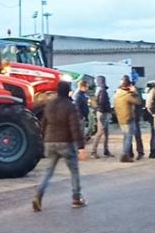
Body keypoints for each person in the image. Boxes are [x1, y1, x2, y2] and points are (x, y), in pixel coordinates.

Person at [33, 80, 87, 211]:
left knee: (49, 171)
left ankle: (38, 195)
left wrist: (44, 138)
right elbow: (74, 127)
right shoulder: (69, 106)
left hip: (50, 142)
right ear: (68, 91)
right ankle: (76, 198)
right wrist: (80, 146)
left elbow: (43, 124)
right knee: (74, 171)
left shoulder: (49, 104)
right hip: (65, 143)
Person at [114, 75, 142, 163]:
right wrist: (135, 92)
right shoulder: (127, 95)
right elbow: (138, 102)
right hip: (128, 118)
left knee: (125, 137)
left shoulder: (117, 93)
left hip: (121, 118)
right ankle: (124, 155)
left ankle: (125, 153)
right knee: (128, 138)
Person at [90, 75, 113, 158]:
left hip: (101, 112)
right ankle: (93, 152)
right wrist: (109, 111)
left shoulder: (98, 90)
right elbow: (103, 103)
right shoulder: (102, 91)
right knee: (100, 132)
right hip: (103, 113)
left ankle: (106, 150)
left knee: (105, 133)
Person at [144, 83, 155, 159]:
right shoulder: (153, 95)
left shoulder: (147, 95)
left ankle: (154, 150)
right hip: (154, 116)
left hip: (150, 117)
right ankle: (153, 150)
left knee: (154, 134)